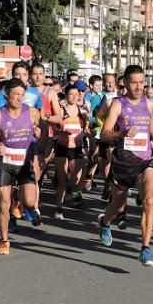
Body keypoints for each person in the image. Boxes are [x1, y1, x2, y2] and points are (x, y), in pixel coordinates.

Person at [97, 64, 153, 265]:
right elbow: (104, 133)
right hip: (123, 161)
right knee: (118, 206)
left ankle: (145, 248)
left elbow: (150, 124)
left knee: (150, 201)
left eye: (141, 82)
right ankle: (105, 222)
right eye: (133, 82)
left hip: (145, 161)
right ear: (125, 82)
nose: (138, 87)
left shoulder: (149, 103)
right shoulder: (117, 104)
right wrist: (122, 133)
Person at [0, 79, 45, 255]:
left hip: (24, 162)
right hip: (4, 162)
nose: (19, 98)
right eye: (15, 95)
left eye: (22, 94)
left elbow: (40, 130)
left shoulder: (32, 112)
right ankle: (4, 240)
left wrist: (38, 133)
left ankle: (17, 197)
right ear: (6, 96)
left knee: (30, 202)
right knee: (3, 203)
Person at [47, 83, 91, 219]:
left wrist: (92, 133)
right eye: (70, 94)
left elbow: (87, 130)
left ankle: (70, 189)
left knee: (77, 179)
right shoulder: (60, 111)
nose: (73, 97)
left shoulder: (82, 112)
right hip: (62, 147)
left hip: (77, 147)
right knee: (62, 180)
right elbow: (53, 129)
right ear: (66, 96)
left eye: (76, 94)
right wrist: (62, 131)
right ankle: (59, 208)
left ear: (79, 96)